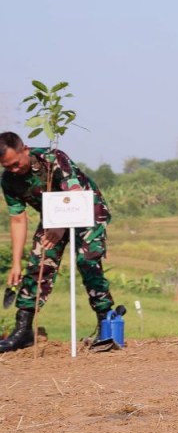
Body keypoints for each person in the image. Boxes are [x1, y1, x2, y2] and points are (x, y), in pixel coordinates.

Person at [0, 132, 116, 353]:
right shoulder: (8, 181)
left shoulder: (53, 158)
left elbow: (75, 195)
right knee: (38, 263)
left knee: (87, 262)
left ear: (25, 149)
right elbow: (17, 219)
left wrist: (62, 226)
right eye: (7, 167)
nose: (14, 170)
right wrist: (15, 263)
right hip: (53, 218)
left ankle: (106, 322)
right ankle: (23, 330)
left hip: (87, 210)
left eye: (16, 163)